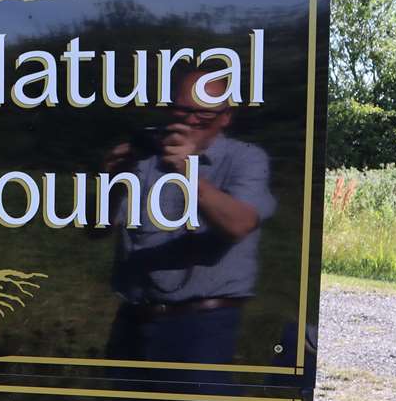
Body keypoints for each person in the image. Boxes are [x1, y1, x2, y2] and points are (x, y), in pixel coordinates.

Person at [100, 66, 276, 365]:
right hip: (133, 322)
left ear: (225, 117)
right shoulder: (144, 158)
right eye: (182, 110)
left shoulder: (246, 158)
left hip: (203, 326)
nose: (191, 120)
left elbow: (239, 223)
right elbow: (97, 229)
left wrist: (187, 171)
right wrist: (110, 183)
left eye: (204, 113)